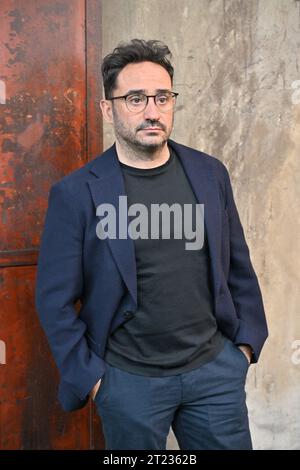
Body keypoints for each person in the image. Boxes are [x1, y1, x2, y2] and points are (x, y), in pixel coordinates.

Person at [35, 39, 268, 450]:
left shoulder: (210, 173)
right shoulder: (76, 193)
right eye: (136, 98)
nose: (152, 111)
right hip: (129, 383)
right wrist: (95, 381)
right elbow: (54, 300)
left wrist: (244, 348)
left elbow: (238, 266)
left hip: (214, 373)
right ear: (108, 109)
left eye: (162, 97)